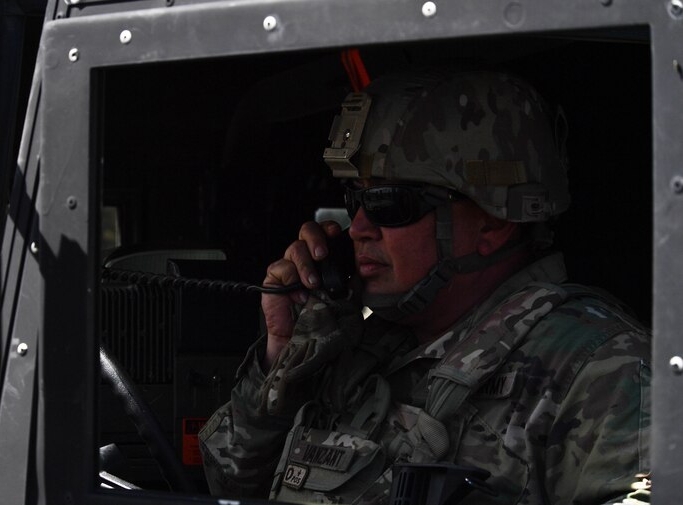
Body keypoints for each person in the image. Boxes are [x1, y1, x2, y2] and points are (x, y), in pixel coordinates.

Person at [198, 70, 651, 505]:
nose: (357, 228)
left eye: (389, 204)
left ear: (494, 219)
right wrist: (284, 356)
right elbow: (229, 482)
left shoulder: (600, 369)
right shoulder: (355, 344)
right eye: (356, 199)